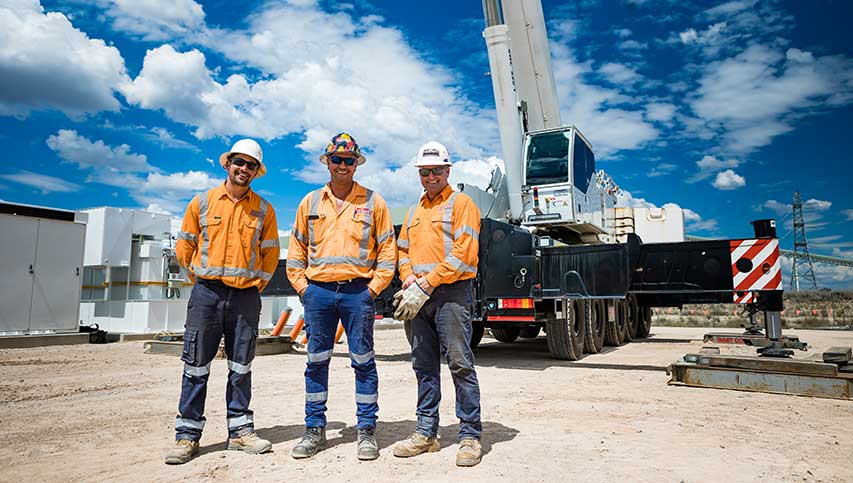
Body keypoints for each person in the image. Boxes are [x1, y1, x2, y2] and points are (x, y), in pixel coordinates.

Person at [165, 139, 280, 465]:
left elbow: (271, 255)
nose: (244, 169)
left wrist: (255, 285)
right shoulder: (202, 202)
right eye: (239, 163)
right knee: (195, 366)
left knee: (241, 366)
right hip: (207, 294)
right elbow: (185, 248)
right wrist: (200, 282)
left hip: (245, 296)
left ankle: (241, 431)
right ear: (227, 164)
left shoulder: (263, 209)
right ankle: (187, 436)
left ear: (257, 172)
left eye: (250, 165)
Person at [286, 132, 396, 461]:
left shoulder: (374, 203)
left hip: (357, 293)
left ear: (356, 164)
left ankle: (366, 432)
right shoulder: (309, 203)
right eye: (337, 160)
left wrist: (371, 291)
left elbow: (387, 252)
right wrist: (304, 289)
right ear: (327, 162)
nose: (343, 165)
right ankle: (314, 430)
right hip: (318, 293)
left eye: (349, 161)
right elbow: (296, 252)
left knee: (363, 362)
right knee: (316, 363)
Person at [392, 141, 483, 467]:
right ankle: (426, 433)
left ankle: (470, 435)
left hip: (451, 294)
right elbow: (402, 250)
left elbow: (464, 254)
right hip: (419, 295)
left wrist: (427, 283)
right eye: (424, 171)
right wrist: (407, 277)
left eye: (436, 171)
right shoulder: (415, 211)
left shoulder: (462, 204)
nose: (430, 176)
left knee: (459, 362)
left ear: (448, 171)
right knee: (424, 365)